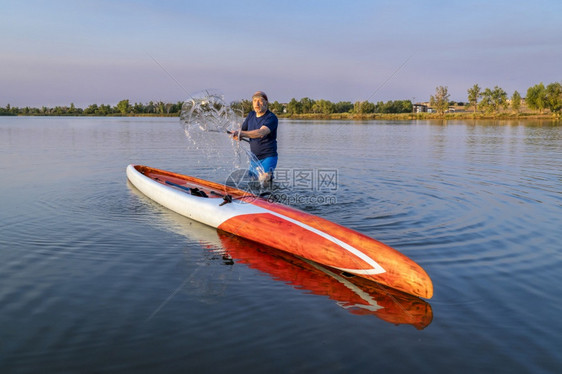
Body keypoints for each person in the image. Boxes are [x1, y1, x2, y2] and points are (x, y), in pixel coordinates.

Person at [232, 91, 278, 184]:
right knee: (253, 183)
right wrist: (237, 135)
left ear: (266, 102)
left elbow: (261, 132)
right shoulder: (251, 115)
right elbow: (243, 130)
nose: (257, 103)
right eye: (254, 101)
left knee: (265, 181)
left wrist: (241, 133)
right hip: (254, 159)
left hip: (268, 157)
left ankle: (269, 197)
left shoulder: (271, 118)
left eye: (260, 101)